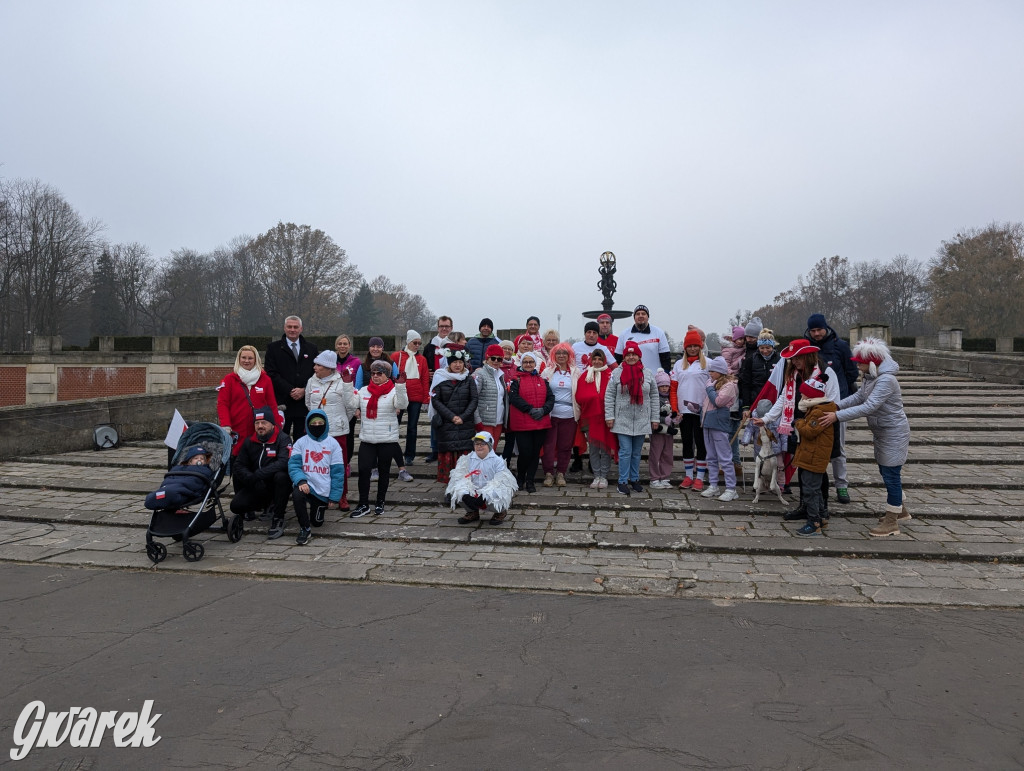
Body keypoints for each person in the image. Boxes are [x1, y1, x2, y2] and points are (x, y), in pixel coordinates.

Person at [818, 338, 911, 537]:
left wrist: (837, 416)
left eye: (859, 362)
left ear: (871, 363)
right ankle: (899, 509)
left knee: (891, 474)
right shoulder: (871, 377)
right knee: (887, 471)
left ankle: (892, 521)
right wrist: (837, 405)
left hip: (893, 432)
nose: (857, 365)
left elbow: (869, 406)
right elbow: (859, 397)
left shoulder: (886, 380)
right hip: (882, 431)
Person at [806, 313, 859, 504]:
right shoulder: (807, 346)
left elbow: (851, 373)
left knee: (838, 448)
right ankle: (814, 487)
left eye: (819, 329)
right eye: (813, 330)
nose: (816, 333)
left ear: (825, 328)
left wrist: (840, 394)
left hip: (837, 405)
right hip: (812, 405)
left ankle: (841, 485)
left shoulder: (840, 346)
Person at [353, 360, 409, 518]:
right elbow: (350, 404)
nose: (376, 376)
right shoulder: (364, 390)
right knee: (364, 470)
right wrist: (346, 385)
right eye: (373, 373)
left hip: (386, 438)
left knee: (384, 472)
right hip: (368, 438)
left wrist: (401, 386)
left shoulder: (393, 391)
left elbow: (402, 403)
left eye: (380, 373)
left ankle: (380, 501)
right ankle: (363, 504)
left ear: (387, 375)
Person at [305, 350, 359, 511]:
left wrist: (340, 421)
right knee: (317, 464)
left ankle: (341, 496)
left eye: (318, 365)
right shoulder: (311, 382)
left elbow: (351, 407)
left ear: (328, 367)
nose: (314, 367)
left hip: (337, 432)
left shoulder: (342, 382)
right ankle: (319, 494)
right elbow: (309, 404)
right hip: (316, 432)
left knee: (338, 466)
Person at [605, 341, 658, 496]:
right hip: (623, 418)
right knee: (625, 451)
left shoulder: (647, 373)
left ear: (639, 356)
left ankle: (634, 479)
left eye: (634, 354)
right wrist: (610, 416)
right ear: (624, 357)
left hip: (641, 418)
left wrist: (654, 418)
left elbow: (654, 396)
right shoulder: (616, 373)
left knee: (636, 452)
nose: (631, 357)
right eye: (628, 355)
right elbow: (609, 396)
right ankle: (622, 481)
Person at [785, 376, 836, 537]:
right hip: (811, 455)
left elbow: (809, 431)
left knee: (810, 490)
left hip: (814, 457)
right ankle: (821, 517)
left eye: (804, 395)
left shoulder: (818, 412)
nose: (802, 397)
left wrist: (798, 423)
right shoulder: (816, 409)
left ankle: (814, 522)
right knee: (815, 489)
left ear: (811, 396)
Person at [287, 410, 345, 544]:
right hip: (306, 484)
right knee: (297, 494)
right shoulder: (301, 442)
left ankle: (316, 511)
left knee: (317, 522)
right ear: (308, 425)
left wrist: (334, 497)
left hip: (323, 489)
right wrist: (301, 480)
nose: (317, 425)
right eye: (314, 423)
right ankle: (304, 528)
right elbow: (294, 465)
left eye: (320, 423)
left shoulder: (333, 444)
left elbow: (337, 472)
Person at [230, 409, 292, 529]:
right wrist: (250, 477)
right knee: (236, 506)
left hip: (274, 484)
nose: (260, 426)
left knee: (282, 476)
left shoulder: (283, 439)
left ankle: (278, 514)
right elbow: (239, 464)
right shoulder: (249, 441)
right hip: (257, 484)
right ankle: (256, 508)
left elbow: (284, 462)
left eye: (264, 423)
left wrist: (259, 474)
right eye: (257, 423)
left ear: (272, 424)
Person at [362, 337, 412, 483]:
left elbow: (397, 383)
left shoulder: (391, 363)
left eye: (379, 346)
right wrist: (360, 406)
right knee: (370, 438)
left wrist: (396, 405)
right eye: (373, 346)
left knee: (391, 439)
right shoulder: (363, 366)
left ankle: (401, 468)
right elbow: (359, 385)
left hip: (388, 404)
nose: (375, 349)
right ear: (369, 348)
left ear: (382, 348)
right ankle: (374, 468)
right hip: (369, 403)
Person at [216, 345, 282, 455]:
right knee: (237, 462)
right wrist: (226, 425)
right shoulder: (229, 379)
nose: (247, 361)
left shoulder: (265, 379)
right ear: (239, 359)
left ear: (256, 359)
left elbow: (272, 405)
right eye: (244, 358)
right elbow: (223, 404)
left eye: (250, 358)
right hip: (236, 429)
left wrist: (277, 425)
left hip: (259, 429)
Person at [445, 431, 519, 525]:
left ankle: (500, 511)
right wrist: (465, 494)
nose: (479, 446)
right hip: (474, 490)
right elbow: (459, 477)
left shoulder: (498, 461)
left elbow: (501, 481)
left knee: (500, 493)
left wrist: (485, 495)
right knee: (456, 491)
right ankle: (472, 512)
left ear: (489, 445)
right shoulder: (467, 459)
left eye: (482, 444)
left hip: (489, 492)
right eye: (477, 444)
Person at [264, 315, 318, 439]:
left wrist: (304, 389)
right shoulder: (273, 348)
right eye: (289, 327)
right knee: (280, 440)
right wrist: (290, 390)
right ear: (284, 328)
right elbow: (271, 373)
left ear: (301, 329)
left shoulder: (312, 348)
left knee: (303, 440)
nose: (292, 330)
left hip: (304, 403)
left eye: (295, 327)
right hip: (282, 403)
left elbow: (316, 373)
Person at [431, 348, 479, 485]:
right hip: (447, 424)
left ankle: (464, 487)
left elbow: (474, 400)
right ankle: (450, 487)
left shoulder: (469, 379)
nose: (457, 365)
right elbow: (436, 400)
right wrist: (452, 417)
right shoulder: (440, 378)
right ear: (449, 363)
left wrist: (462, 417)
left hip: (465, 424)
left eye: (460, 362)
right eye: (454, 362)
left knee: (464, 459)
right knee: (449, 456)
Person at [508, 351, 553, 493]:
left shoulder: (543, 380)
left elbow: (550, 398)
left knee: (535, 453)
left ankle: (530, 480)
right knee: (525, 452)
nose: (528, 364)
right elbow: (514, 398)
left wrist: (544, 410)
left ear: (535, 364)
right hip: (523, 423)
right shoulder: (516, 380)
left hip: (540, 422)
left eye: (531, 362)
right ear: (521, 364)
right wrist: (530, 409)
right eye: (525, 362)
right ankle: (520, 478)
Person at [671, 329, 710, 491]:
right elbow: (673, 389)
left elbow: (714, 386)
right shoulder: (679, 364)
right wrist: (674, 409)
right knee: (687, 443)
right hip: (684, 411)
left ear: (700, 346)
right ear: (685, 347)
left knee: (701, 444)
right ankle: (688, 476)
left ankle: (699, 478)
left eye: (696, 346)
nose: (693, 349)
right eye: (690, 346)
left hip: (702, 411)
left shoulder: (708, 363)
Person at [573, 348, 617, 489]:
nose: (597, 362)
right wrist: (592, 399)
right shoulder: (585, 375)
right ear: (591, 360)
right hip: (590, 418)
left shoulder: (611, 374)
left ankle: (604, 475)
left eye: (600, 359)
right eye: (595, 359)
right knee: (593, 449)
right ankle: (596, 475)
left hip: (606, 418)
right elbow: (579, 395)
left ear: (604, 360)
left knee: (605, 448)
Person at [699, 357, 740, 502]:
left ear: (721, 372)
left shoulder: (729, 385)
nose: (710, 373)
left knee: (725, 457)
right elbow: (708, 403)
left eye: (713, 370)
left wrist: (709, 388)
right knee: (711, 457)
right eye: (710, 370)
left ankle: (731, 488)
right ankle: (713, 485)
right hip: (708, 423)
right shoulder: (713, 383)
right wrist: (697, 408)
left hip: (719, 425)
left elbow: (718, 402)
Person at [541, 343, 579, 487]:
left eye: (564, 353)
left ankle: (561, 472)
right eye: (558, 353)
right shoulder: (547, 372)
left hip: (569, 415)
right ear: (553, 355)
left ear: (569, 356)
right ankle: (549, 473)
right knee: (549, 445)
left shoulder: (576, 372)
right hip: (551, 414)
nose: (561, 356)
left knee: (565, 446)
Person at [392, 330, 431, 466]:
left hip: (416, 395)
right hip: (400, 395)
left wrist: (426, 398)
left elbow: (425, 379)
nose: (417, 345)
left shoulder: (422, 359)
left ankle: (410, 455)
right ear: (408, 342)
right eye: (415, 343)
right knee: (394, 424)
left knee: (412, 427)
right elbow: (392, 376)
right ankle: (392, 452)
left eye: (419, 343)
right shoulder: (397, 356)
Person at [144, 445, 214, 511]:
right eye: (196, 458)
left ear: (205, 462)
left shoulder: (205, 469)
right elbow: (170, 478)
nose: (199, 460)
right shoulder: (179, 468)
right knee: (155, 496)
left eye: (202, 459)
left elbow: (197, 482)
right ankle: (161, 495)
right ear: (190, 461)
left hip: (185, 488)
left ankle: (166, 495)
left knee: (171, 493)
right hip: (172, 485)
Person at [334, 333, 362, 472]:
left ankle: (347, 462)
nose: (342, 346)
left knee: (349, 434)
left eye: (345, 343)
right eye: (340, 343)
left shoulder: (356, 362)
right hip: (335, 403)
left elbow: (358, 383)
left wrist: (356, 405)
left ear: (349, 346)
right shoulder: (331, 362)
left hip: (349, 403)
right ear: (336, 345)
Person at [614, 305, 671, 372]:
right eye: (638, 314)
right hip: (630, 378)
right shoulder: (624, 334)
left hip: (654, 378)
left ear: (648, 317)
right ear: (634, 317)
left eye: (643, 314)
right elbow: (618, 359)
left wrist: (666, 375)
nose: (640, 316)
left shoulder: (659, 332)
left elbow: (666, 358)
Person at [473, 344, 509, 449]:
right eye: (493, 358)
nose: (496, 361)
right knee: (483, 451)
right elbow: (473, 398)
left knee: (492, 449)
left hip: (498, 421)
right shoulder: (480, 374)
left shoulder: (500, 375)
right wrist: (477, 420)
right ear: (487, 358)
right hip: (484, 420)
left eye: (499, 359)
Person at [648, 369, 678, 488]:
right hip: (657, 430)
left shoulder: (671, 398)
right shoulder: (654, 398)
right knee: (656, 453)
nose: (665, 388)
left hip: (669, 431)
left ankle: (665, 476)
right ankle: (654, 477)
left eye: (666, 386)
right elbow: (652, 413)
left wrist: (676, 419)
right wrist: (662, 419)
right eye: (662, 386)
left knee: (667, 453)